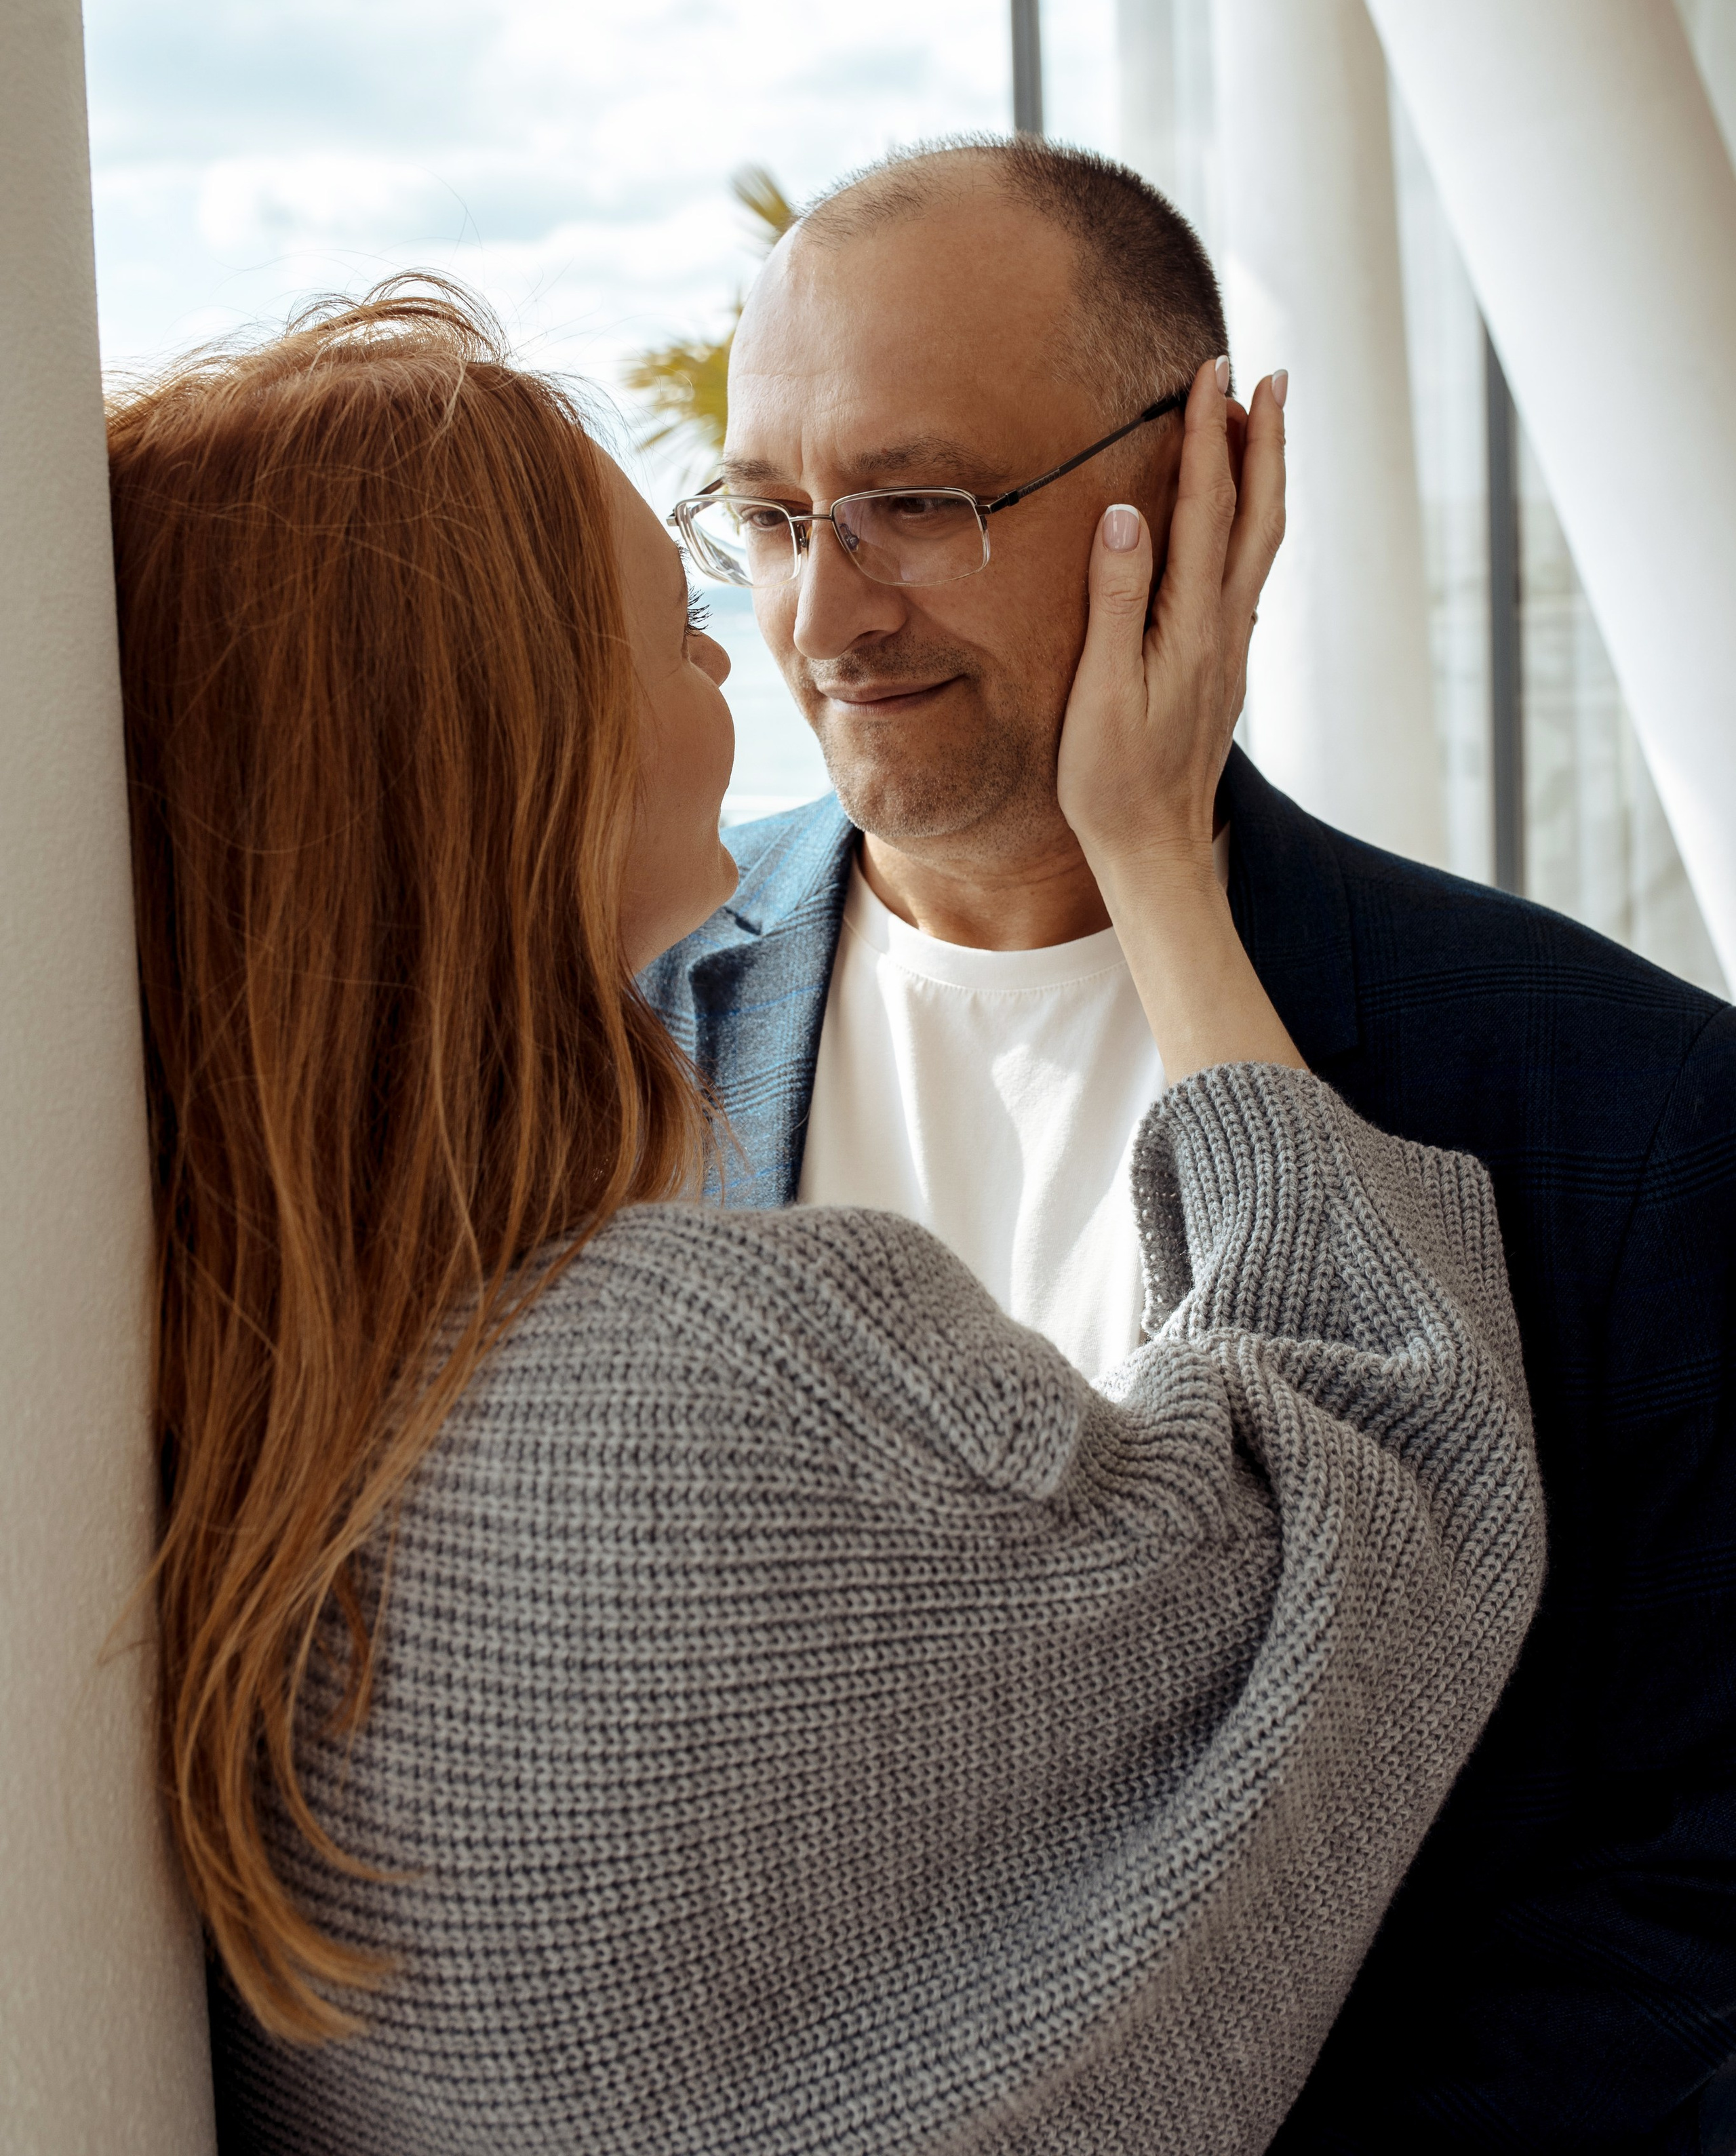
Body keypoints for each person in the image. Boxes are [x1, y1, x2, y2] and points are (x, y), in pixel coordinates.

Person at [109, 279, 1539, 2156]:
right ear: (486, 749)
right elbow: (1371, 1501)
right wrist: (1159, 858)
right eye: (691, 603)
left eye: (910, 510)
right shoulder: (736, 1365)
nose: (771, 639)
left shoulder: (214, 1380)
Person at [648, 135, 1736, 2152]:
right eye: (776, 515)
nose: (825, 615)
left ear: (1205, 483)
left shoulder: (1631, 1111)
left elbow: (1694, 1879)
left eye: (917, 502)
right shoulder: (596, 1032)